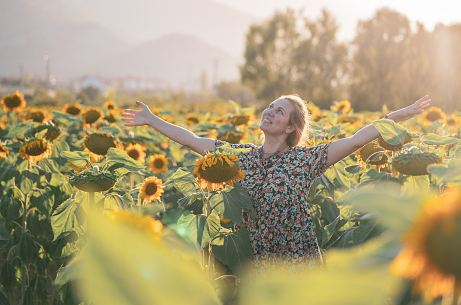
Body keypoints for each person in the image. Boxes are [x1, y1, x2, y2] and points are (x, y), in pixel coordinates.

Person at [121, 94, 431, 277]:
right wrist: (151, 119)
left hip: (300, 267)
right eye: (270, 107)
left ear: (291, 127)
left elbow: (355, 140)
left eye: (278, 111)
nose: (269, 112)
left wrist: (400, 115)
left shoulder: (305, 160)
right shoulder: (240, 157)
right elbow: (192, 140)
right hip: (258, 271)